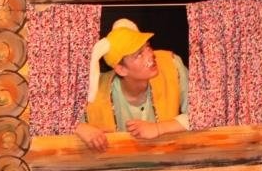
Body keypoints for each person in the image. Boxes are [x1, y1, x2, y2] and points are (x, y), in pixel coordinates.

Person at [75, 19, 189, 151]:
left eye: (148, 47)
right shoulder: (95, 93)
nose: (150, 55)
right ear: (121, 69)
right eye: (139, 54)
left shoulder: (171, 66)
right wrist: (80, 128)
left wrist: (159, 128)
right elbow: (59, 120)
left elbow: (202, 112)